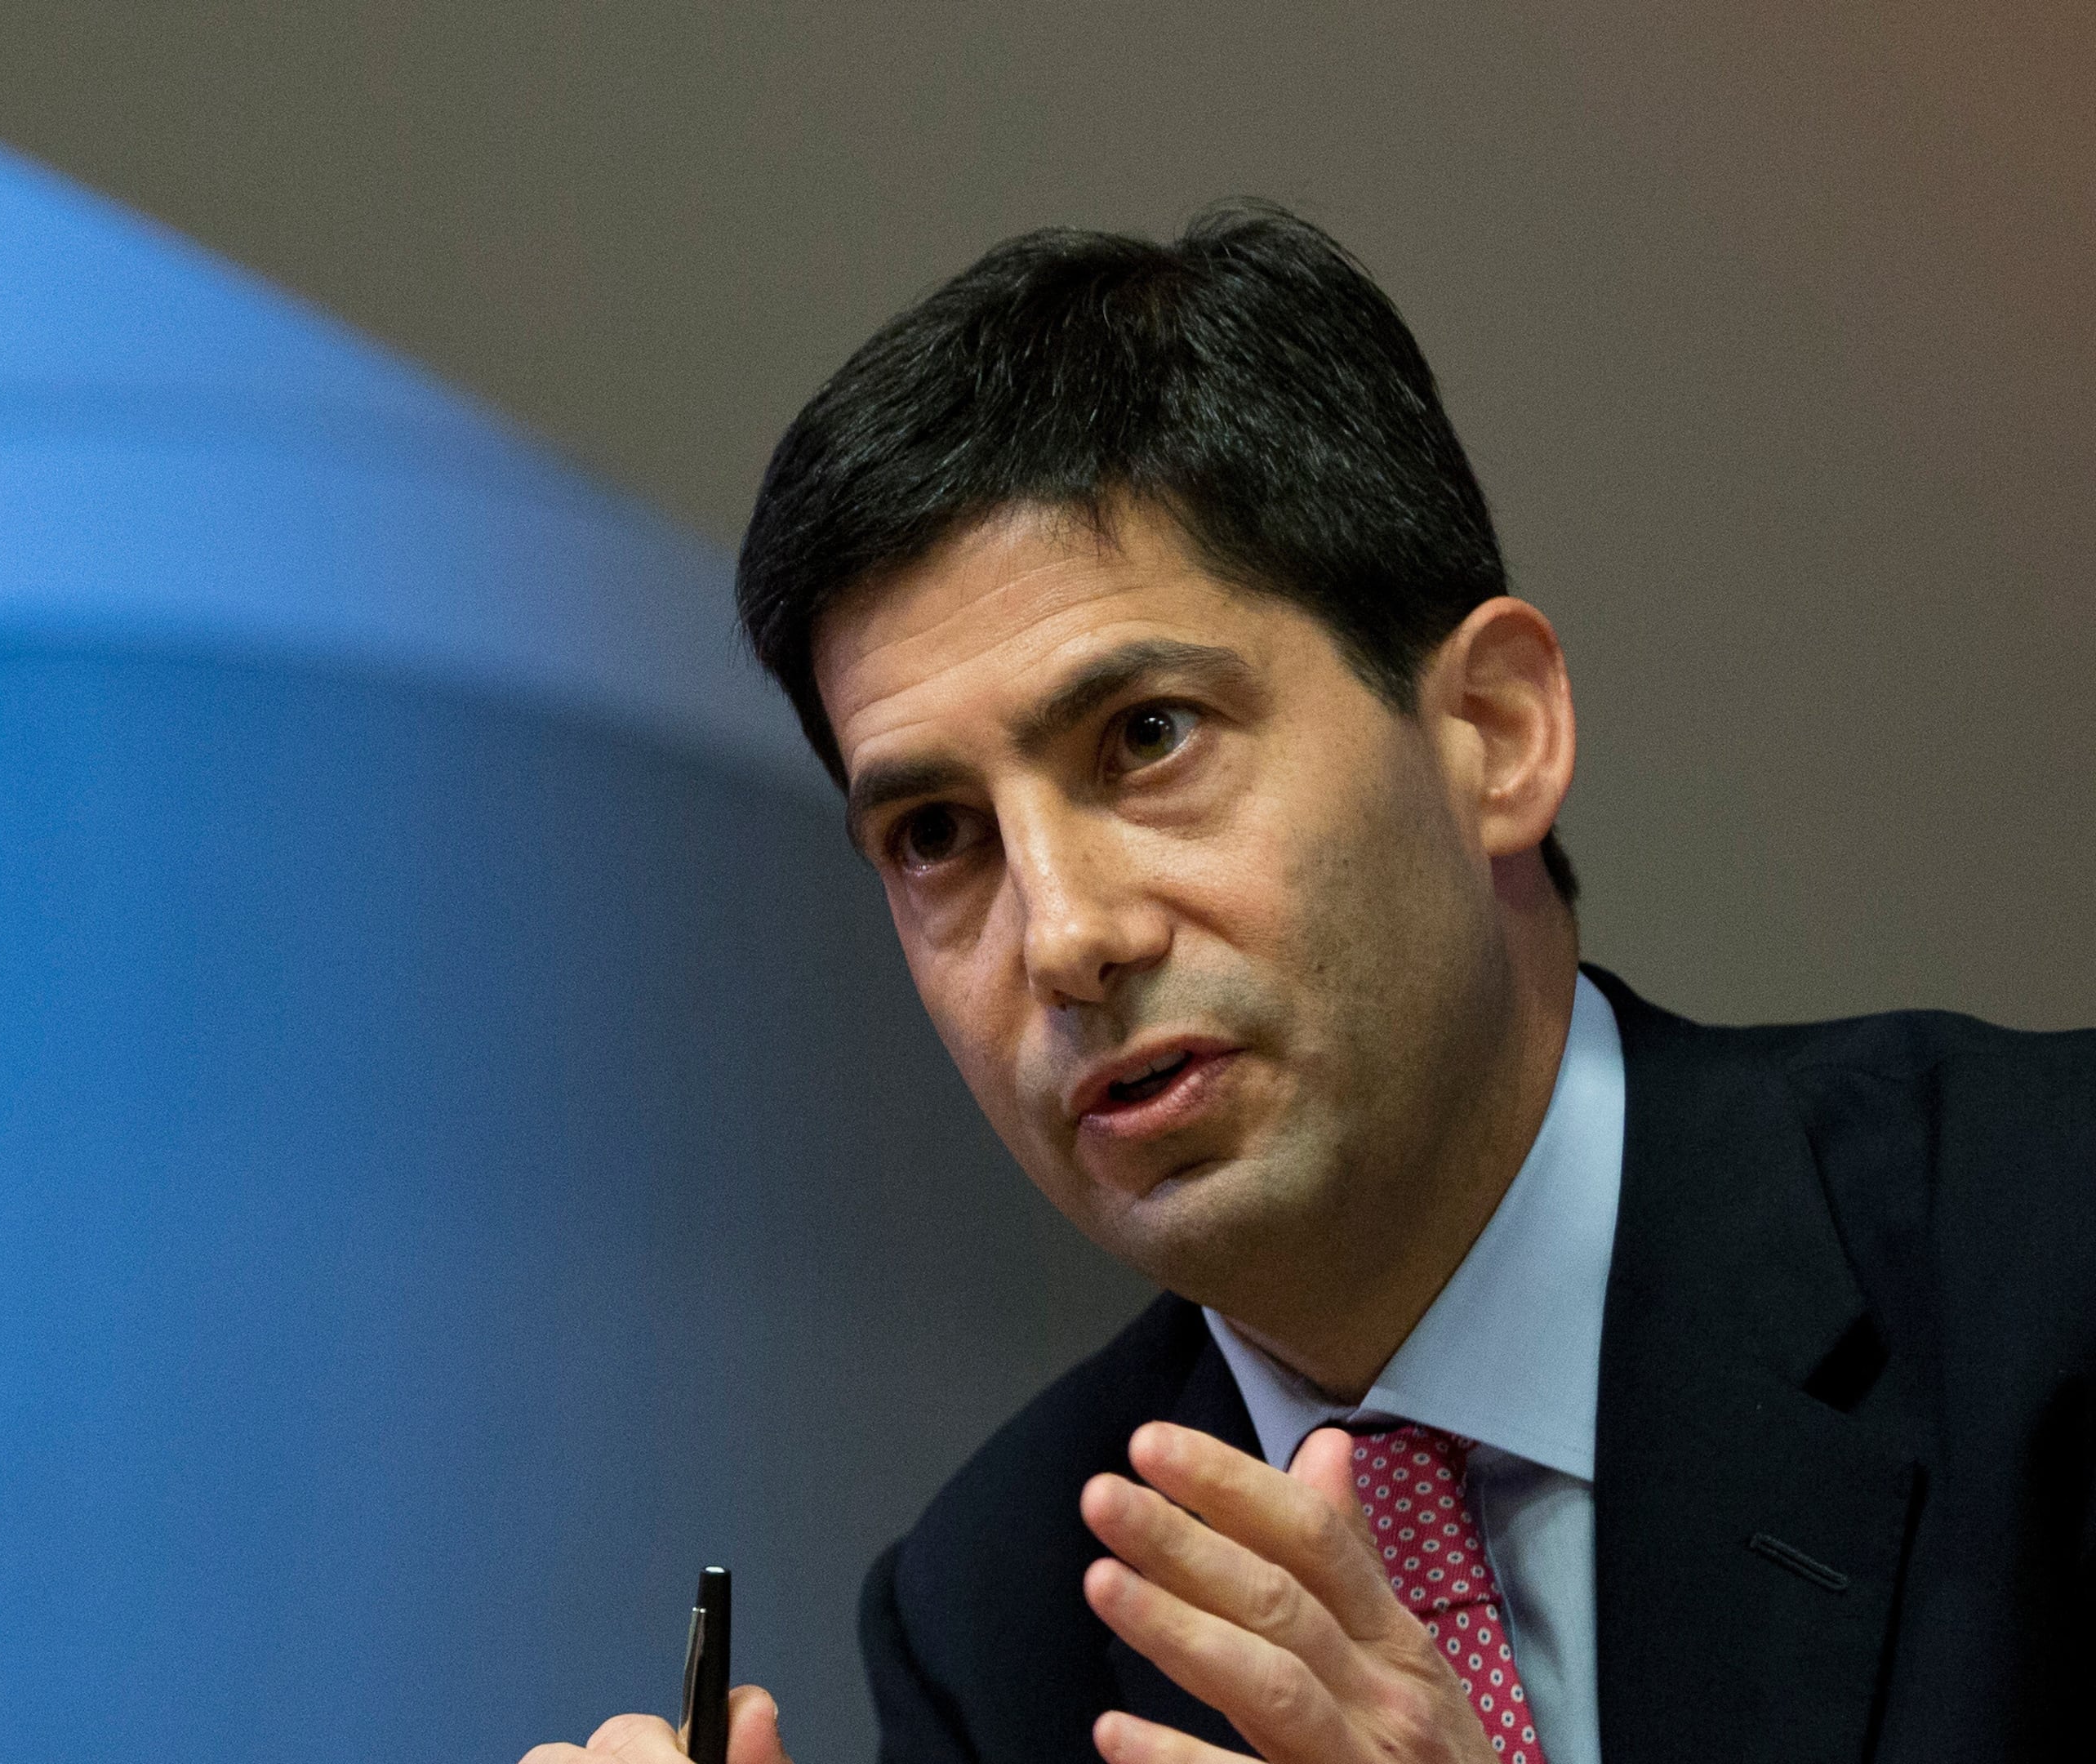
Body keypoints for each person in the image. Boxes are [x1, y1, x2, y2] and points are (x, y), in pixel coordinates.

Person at [520, 205, 2096, 1764]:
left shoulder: (2045, 1251)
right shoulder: (1000, 1622)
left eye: (1147, 737)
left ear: (1494, 733)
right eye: (938, 835)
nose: (1064, 937)